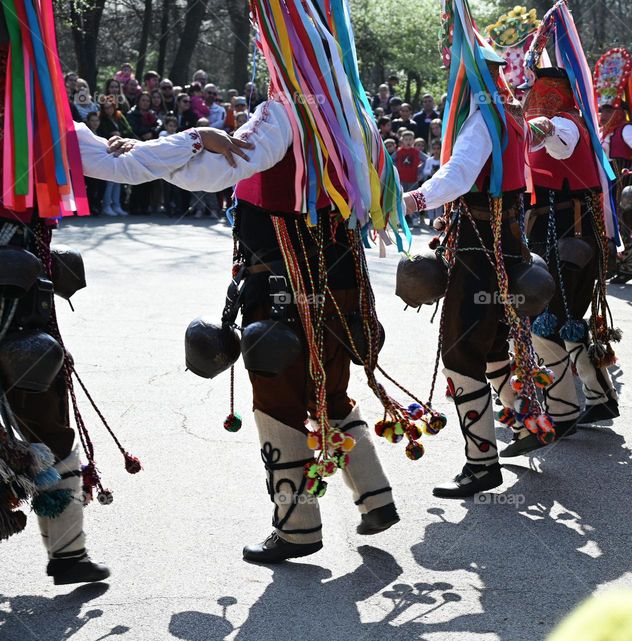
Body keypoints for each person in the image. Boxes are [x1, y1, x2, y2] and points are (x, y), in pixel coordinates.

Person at [0, 4, 251, 583]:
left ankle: (68, 554)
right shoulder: (47, 124)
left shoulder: (48, 125)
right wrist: (196, 136)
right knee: (44, 404)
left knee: (44, 398)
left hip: (19, 290)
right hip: (19, 289)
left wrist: (196, 136)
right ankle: (67, 554)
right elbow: (134, 166)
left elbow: (133, 163)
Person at [158, 0, 408, 563]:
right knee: (330, 389)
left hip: (280, 284)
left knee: (276, 397)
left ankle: (296, 527)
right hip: (339, 284)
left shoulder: (280, 114)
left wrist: (159, 155)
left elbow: (219, 170)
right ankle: (375, 496)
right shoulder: (353, 120)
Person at [403, 0, 543, 497]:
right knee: (490, 347)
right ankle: (528, 422)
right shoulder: (510, 112)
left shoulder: (483, 116)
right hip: (507, 245)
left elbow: (458, 176)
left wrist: (410, 200)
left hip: (480, 251)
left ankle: (482, 463)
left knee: (461, 352)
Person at [502, 4, 620, 457]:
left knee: (555, 319)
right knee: (561, 320)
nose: (538, 98)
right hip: (546, 228)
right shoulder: (557, 121)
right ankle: (597, 396)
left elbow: (546, 132)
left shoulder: (566, 124)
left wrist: (519, 123)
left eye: (543, 94)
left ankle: (568, 404)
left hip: (572, 235)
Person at [595, 48, 632, 286]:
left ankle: (630, 267)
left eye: (606, 109)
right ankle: (620, 265)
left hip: (624, 187)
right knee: (614, 226)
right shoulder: (606, 133)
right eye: (602, 109)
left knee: (629, 227)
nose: (602, 113)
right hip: (610, 186)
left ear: (618, 110)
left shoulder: (626, 130)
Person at [96, 97, 135, 216]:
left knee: (118, 180)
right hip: (109, 151)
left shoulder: (119, 117)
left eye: (111, 107)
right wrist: (111, 135)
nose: (109, 110)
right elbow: (101, 135)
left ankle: (117, 205)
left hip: (120, 150)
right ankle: (106, 205)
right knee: (110, 181)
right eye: (106, 108)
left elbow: (128, 130)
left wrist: (121, 136)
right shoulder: (101, 119)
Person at [127, 93, 160, 215]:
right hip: (137, 148)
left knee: (148, 179)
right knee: (137, 178)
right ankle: (133, 207)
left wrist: (151, 132)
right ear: (138, 101)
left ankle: (145, 207)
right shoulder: (132, 114)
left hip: (150, 149)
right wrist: (143, 134)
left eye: (147, 100)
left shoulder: (152, 114)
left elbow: (158, 125)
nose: (145, 102)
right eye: (143, 100)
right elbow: (131, 129)